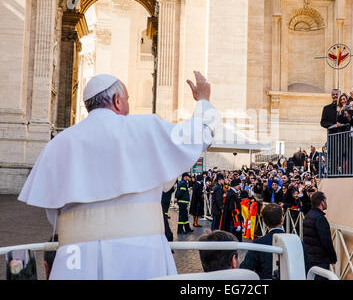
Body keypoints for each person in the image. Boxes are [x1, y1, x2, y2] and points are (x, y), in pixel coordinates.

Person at [17, 71, 220, 280]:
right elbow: (202, 134)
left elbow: (53, 213)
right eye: (127, 99)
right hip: (141, 253)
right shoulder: (145, 128)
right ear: (117, 101)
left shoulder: (58, 144)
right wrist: (203, 101)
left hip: (76, 258)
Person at [239, 203, 285, 280]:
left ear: (263, 221)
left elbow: (245, 269)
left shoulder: (258, 243)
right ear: (282, 219)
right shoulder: (297, 242)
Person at [302, 191, 337, 278]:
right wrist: (333, 257)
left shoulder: (308, 215)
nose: (326, 203)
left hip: (310, 257)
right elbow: (326, 240)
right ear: (322, 202)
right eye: (325, 200)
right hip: (320, 259)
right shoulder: (320, 218)